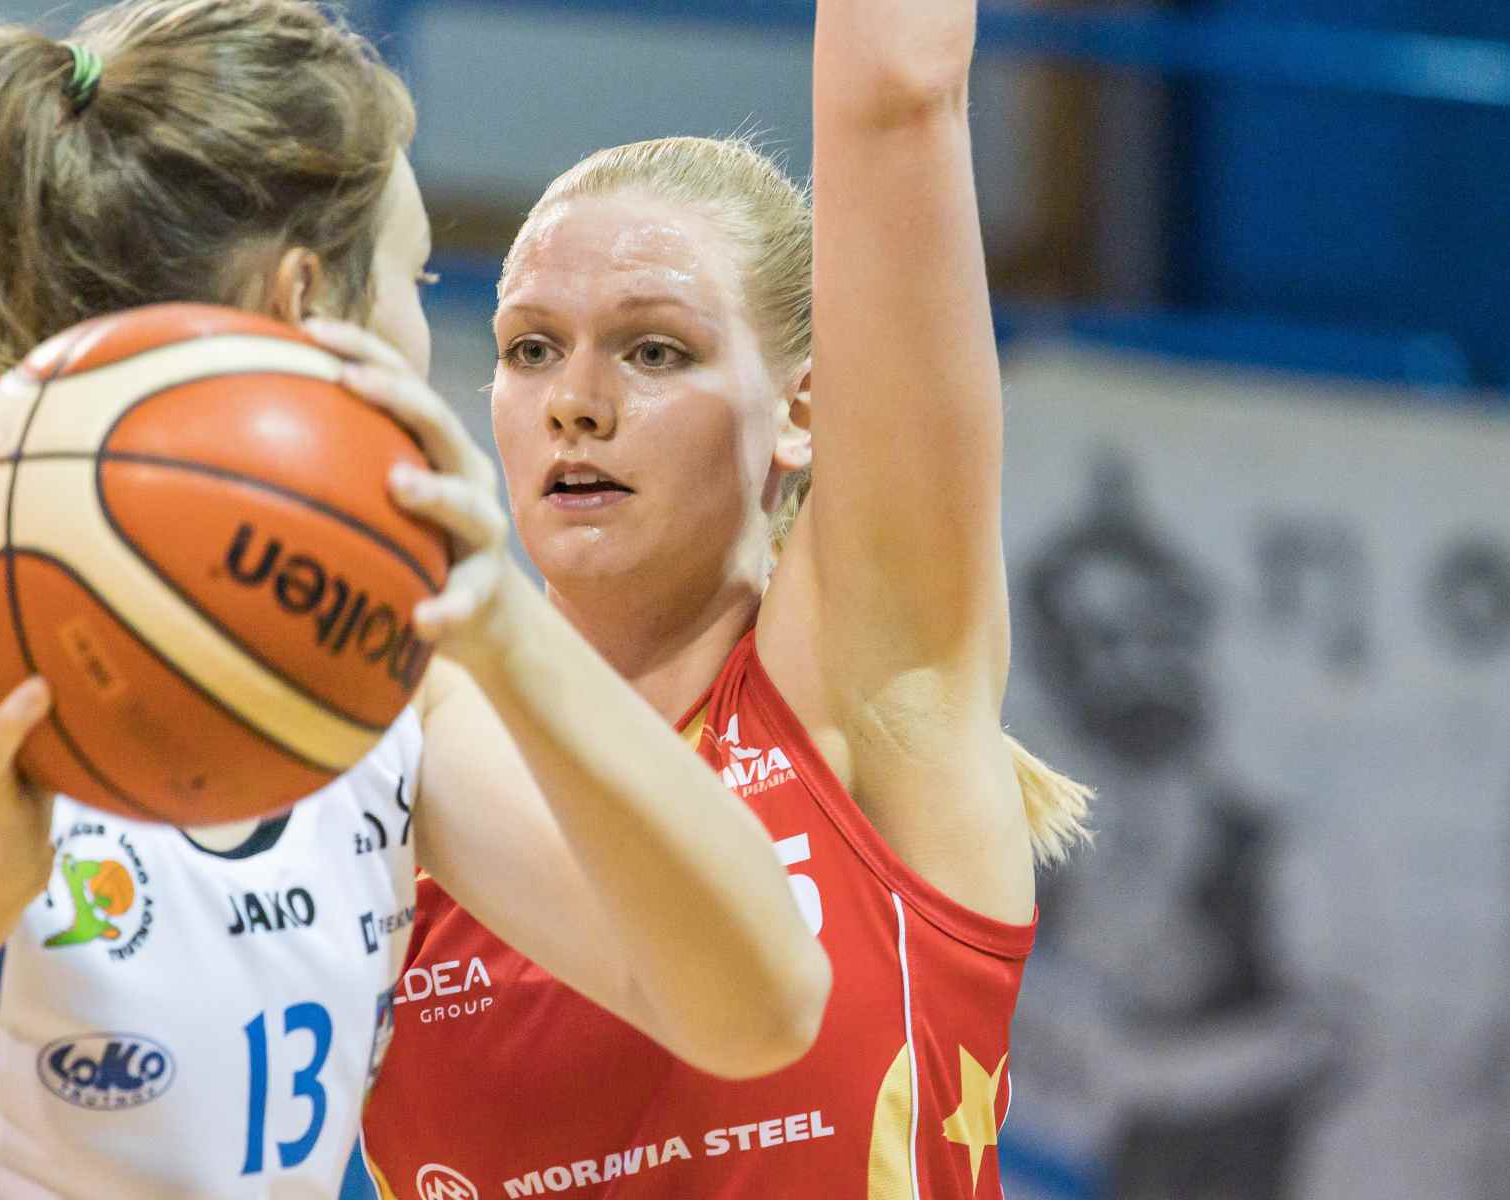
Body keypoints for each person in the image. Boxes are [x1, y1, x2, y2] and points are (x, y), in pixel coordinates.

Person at [0, 3, 829, 1197]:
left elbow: (763, 1009)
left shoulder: (388, 672)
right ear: (308, 306)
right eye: (414, 279)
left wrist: (510, 625)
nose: (427, 336)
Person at [360, 0, 1092, 1196]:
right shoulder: (409, 755)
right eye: (531, 348)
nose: (574, 402)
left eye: (654, 351)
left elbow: (899, 93)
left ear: (801, 409)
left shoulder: (868, 687)